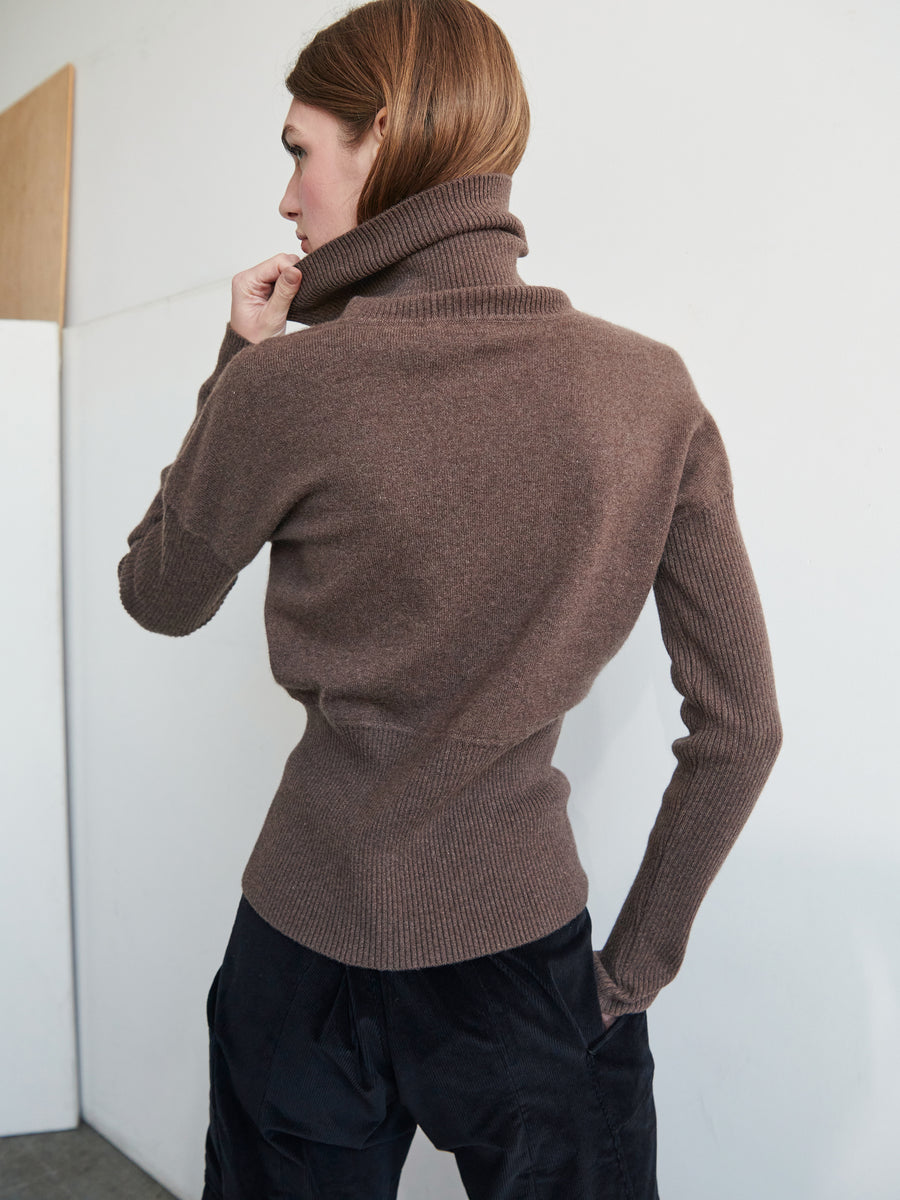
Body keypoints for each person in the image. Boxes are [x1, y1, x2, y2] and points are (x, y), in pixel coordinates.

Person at [116, 0, 783, 1196]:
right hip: (527, 965)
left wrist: (238, 367)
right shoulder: (648, 393)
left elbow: (159, 595)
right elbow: (744, 730)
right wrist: (622, 980)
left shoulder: (289, 390)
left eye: (298, 150)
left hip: (300, 949)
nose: (285, 196)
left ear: (384, 135)